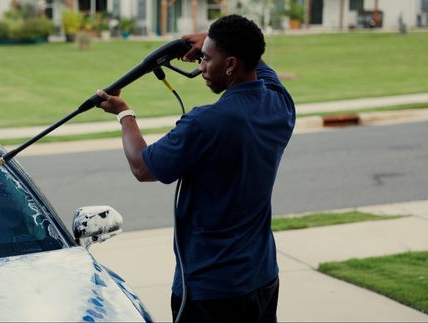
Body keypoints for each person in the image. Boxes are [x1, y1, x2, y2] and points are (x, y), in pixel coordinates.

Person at [96, 14, 295, 323]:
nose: (201, 67)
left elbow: (142, 166)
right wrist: (210, 38)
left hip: (212, 289)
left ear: (230, 64)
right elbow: (255, 59)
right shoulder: (280, 104)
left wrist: (124, 113)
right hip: (263, 277)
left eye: (207, 59)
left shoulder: (205, 123)